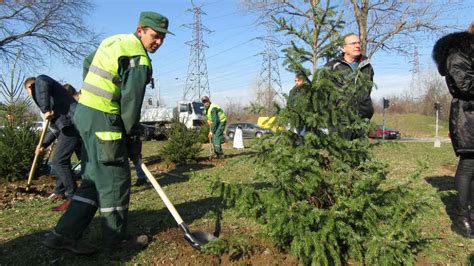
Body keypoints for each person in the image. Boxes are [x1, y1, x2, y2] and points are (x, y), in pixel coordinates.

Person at [42, 11, 172, 254]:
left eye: (163, 38)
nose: (159, 42)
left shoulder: (113, 41)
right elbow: (131, 105)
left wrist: (90, 96)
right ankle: (116, 241)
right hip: (104, 119)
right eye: (155, 36)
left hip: (85, 113)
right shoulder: (139, 60)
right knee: (115, 179)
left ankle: (62, 236)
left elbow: (87, 63)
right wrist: (131, 138)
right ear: (140, 29)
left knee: (93, 178)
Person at [432, 23, 474, 238]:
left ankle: (471, 214)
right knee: (468, 166)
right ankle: (462, 218)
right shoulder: (457, 53)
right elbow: (466, 85)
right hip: (468, 116)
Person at [23, 76, 82, 212]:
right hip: (68, 127)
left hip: (72, 126)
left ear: (29, 88)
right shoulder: (52, 99)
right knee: (64, 160)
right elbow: (54, 129)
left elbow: (42, 81)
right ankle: (62, 191)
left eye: (28, 93)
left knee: (59, 160)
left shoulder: (40, 82)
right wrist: (43, 144)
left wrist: (45, 109)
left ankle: (73, 197)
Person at [325, 33, 374, 140]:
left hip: (362, 119)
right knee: (341, 154)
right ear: (343, 48)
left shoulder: (367, 66)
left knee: (359, 154)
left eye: (358, 43)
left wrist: (367, 110)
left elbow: (368, 90)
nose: (357, 46)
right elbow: (322, 93)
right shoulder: (332, 67)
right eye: (353, 43)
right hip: (339, 121)